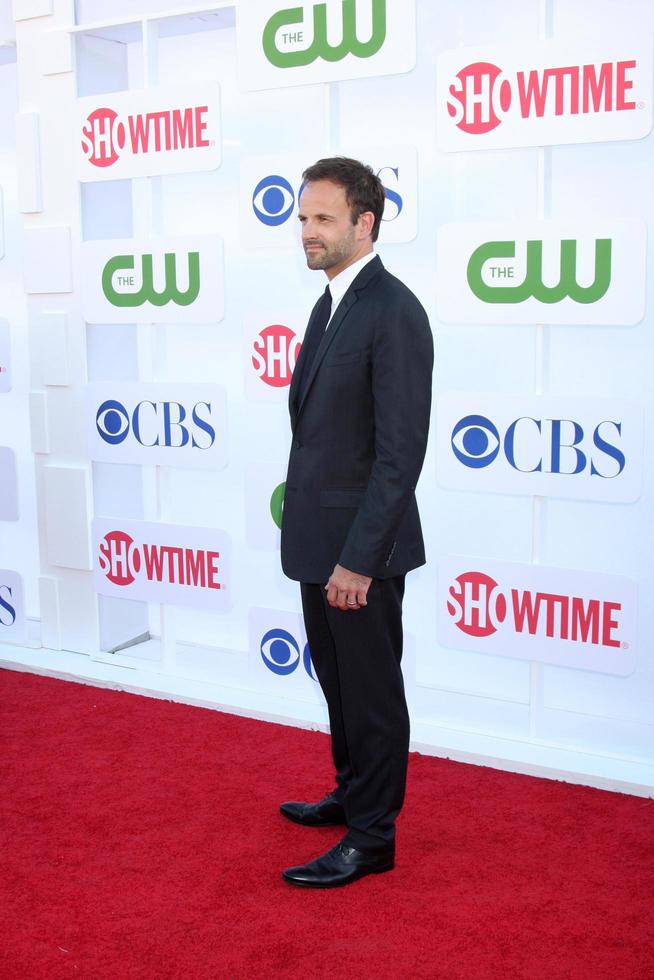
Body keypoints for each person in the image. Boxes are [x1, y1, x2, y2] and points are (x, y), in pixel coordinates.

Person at [279, 157, 433, 888]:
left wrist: (358, 560)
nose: (306, 231)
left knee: (371, 693)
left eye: (322, 219)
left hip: (360, 553)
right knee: (338, 684)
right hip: (319, 541)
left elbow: (400, 456)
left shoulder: (393, 311)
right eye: (303, 216)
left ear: (364, 223)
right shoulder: (329, 303)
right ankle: (353, 793)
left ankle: (374, 837)